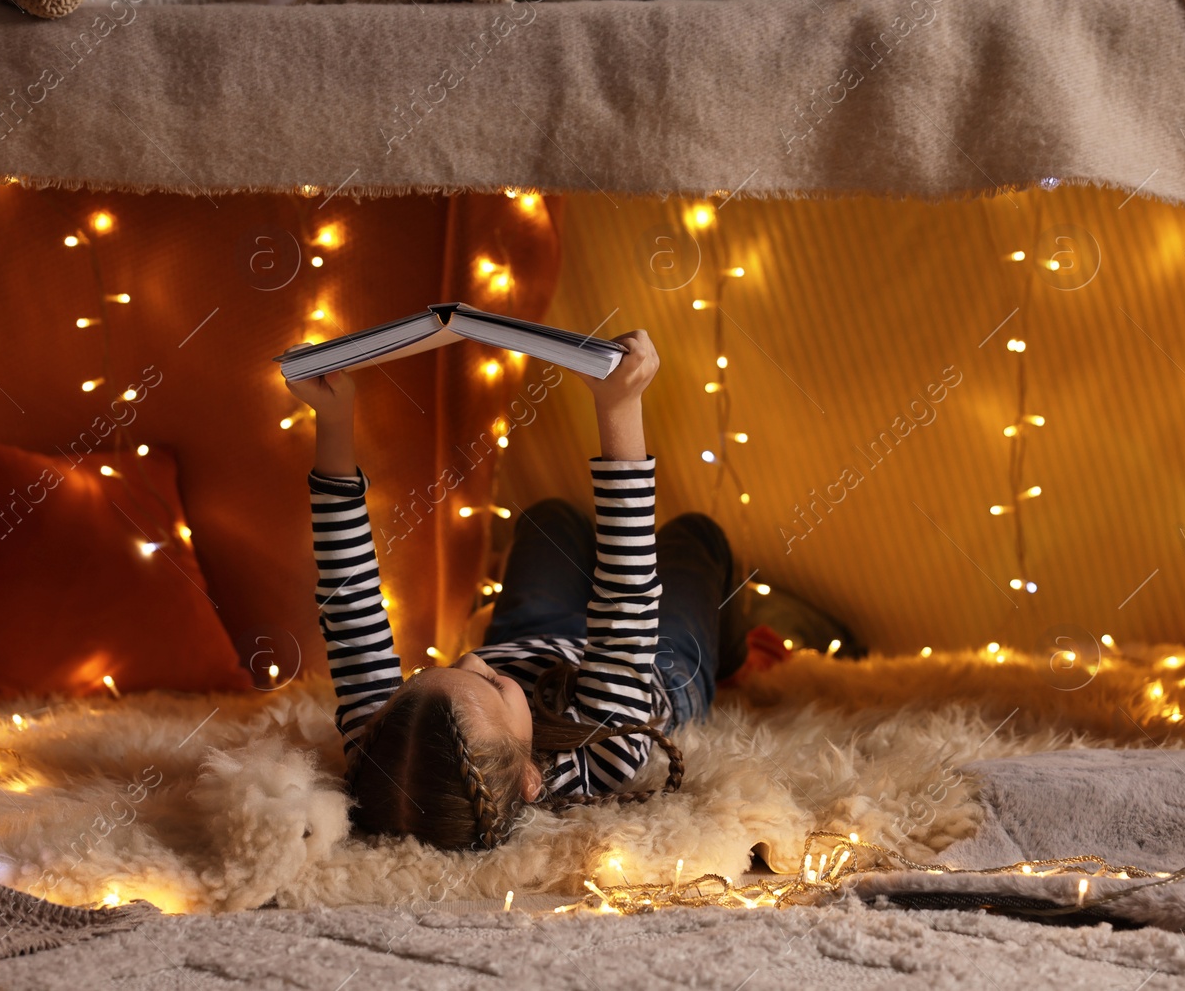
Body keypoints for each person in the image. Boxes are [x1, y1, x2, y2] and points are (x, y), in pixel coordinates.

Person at [284, 330, 852, 851]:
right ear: (531, 777)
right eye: (490, 683)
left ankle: (558, 592)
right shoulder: (607, 753)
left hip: (531, 641)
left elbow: (349, 600)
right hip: (654, 668)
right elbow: (626, 600)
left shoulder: (381, 752)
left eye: (449, 668)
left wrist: (333, 421)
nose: (474, 655)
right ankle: (734, 652)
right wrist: (619, 406)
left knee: (549, 518)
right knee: (693, 536)